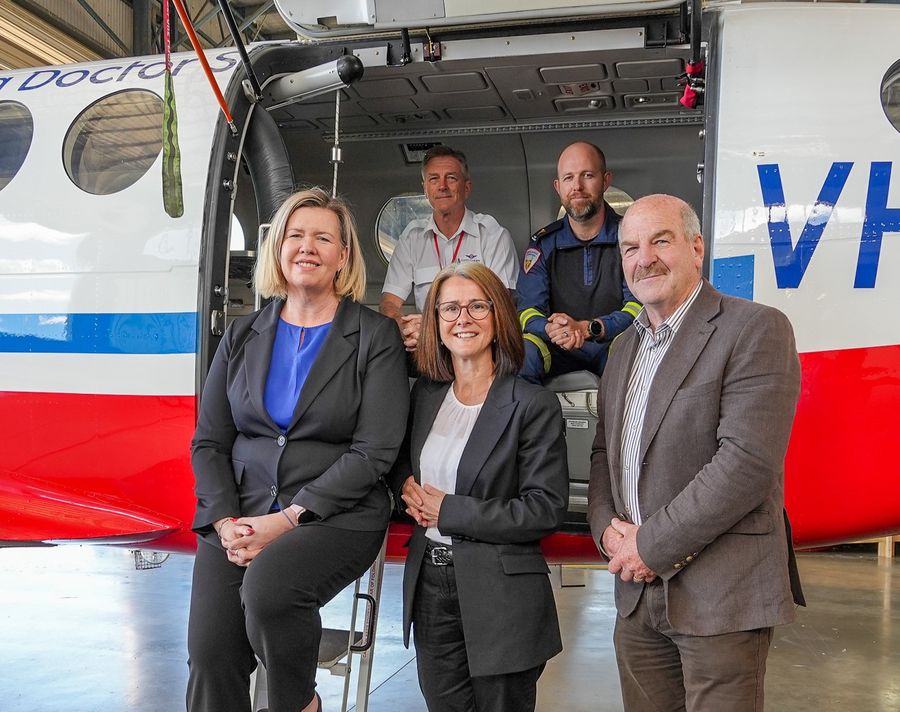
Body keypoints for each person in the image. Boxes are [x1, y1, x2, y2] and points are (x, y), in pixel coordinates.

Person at [187, 188, 409, 712]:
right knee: (211, 653)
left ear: (343, 256)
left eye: (323, 238)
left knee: (269, 591)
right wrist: (225, 523)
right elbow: (210, 441)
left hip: (336, 514)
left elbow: (374, 452)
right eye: (296, 235)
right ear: (278, 249)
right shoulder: (242, 335)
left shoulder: (374, 336)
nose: (307, 247)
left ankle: (298, 704)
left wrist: (286, 520)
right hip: (239, 515)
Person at [588, 194, 805, 712]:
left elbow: (746, 465)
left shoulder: (754, 328)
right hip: (636, 597)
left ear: (696, 246)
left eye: (660, 240)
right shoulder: (623, 350)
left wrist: (650, 546)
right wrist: (605, 529)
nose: (645, 258)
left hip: (720, 594)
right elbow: (604, 454)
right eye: (630, 247)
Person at [388, 261, 568, 712]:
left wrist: (449, 511)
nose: (462, 319)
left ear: (498, 317)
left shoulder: (532, 404)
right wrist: (404, 487)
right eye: (449, 309)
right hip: (430, 583)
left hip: (500, 592)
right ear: (434, 323)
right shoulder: (425, 395)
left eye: (476, 306)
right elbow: (400, 465)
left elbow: (544, 508)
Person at [517, 141, 641, 383]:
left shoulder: (630, 238)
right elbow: (527, 311)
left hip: (611, 342)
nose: (577, 187)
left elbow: (638, 307)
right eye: (568, 178)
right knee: (520, 355)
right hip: (557, 344)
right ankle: (537, 421)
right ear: (558, 186)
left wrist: (591, 327)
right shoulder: (542, 244)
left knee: (633, 352)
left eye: (587, 175)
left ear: (605, 181)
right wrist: (551, 329)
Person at [380, 145, 518, 353]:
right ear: (425, 189)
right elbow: (389, 303)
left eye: (451, 178)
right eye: (434, 179)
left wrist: (436, 329)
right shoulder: (412, 237)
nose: (442, 186)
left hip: (476, 341)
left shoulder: (492, 235)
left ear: (467, 187)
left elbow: (502, 306)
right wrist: (403, 325)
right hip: (428, 347)